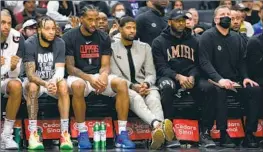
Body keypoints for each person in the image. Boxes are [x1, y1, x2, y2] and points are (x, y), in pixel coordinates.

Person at [62, 5, 135, 149]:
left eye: (96, 19)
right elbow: (70, 67)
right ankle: (82, 133)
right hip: (78, 76)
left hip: (97, 75)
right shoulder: (69, 36)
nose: (94, 23)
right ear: (81, 19)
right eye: (90, 19)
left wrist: (103, 76)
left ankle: (122, 133)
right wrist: (89, 78)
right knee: (78, 86)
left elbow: (105, 64)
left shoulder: (103, 37)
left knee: (121, 84)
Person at [152, 9, 218, 148]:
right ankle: (168, 133)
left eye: (183, 20)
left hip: (190, 77)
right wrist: (178, 77)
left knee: (210, 88)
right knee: (167, 87)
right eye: (177, 20)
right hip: (170, 76)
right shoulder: (159, 42)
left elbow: (198, 64)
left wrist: (192, 77)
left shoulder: (194, 40)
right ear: (170, 22)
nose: (181, 23)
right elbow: (161, 67)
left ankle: (205, 132)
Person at [199, 5, 261, 148]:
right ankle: (222, 133)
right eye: (223, 14)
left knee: (255, 90)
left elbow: (241, 62)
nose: (227, 16)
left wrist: (245, 77)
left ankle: (250, 134)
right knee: (219, 92)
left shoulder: (237, 37)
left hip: (233, 80)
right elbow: (204, 62)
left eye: (229, 14)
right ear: (215, 19)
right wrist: (220, 79)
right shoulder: (207, 36)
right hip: (212, 79)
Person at [111, 16, 174, 150]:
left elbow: (151, 73)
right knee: (137, 98)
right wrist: (133, 86)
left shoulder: (145, 47)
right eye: (128, 27)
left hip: (145, 85)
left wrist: (146, 84)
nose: (132, 31)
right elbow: (115, 74)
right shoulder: (112, 49)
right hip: (124, 87)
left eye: (134, 28)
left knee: (154, 98)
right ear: (120, 29)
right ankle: (158, 125)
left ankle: (158, 133)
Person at [23, 16, 73, 150]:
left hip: (52, 82)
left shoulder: (60, 42)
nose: (51, 32)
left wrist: (52, 82)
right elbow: (30, 75)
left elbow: (60, 70)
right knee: (33, 87)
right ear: (39, 30)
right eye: (47, 29)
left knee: (63, 85)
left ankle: (64, 133)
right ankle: (33, 134)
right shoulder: (29, 43)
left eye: (53, 29)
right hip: (35, 83)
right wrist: (46, 84)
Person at [0, 9, 24, 150]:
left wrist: (13, 66)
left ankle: (6, 134)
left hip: (6, 79)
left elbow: (15, 74)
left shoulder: (17, 37)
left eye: (9, 23)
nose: (6, 26)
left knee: (16, 85)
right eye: (2, 23)